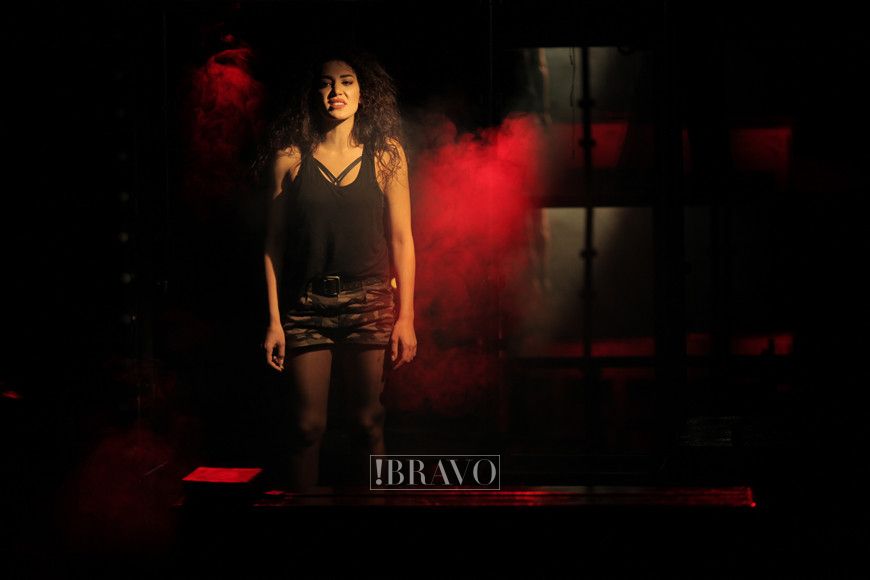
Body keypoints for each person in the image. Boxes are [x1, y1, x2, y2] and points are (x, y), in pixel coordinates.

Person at [257, 49, 417, 491]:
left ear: (363, 93)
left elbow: (402, 239)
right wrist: (273, 321)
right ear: (313, 93)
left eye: (346, 81)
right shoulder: (290, 158)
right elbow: (272, 244)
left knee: (367, 423)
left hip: (370, 300)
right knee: (307, 427)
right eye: (326, 82)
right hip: (306, 304)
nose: (336, 91)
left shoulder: (386, 155)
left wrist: (406, 316)